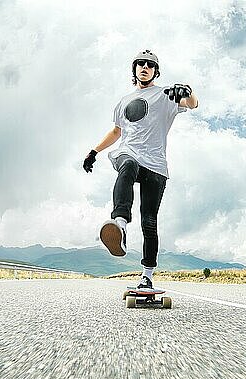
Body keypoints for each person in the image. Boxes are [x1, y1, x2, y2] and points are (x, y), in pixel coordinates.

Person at [83, 49, 198, 289]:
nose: (145, 67)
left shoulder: (166, 94)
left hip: (156, 164)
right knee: (127, 164)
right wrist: (94, 151)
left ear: (156, 71)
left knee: (149, 221)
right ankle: (120, 224)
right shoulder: (123, 102)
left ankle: (147, 275)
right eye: (140, 64)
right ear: (134, 69)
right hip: (132, 152)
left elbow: (192, 104)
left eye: (150, 64)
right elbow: (117, 131)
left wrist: (188, 91)